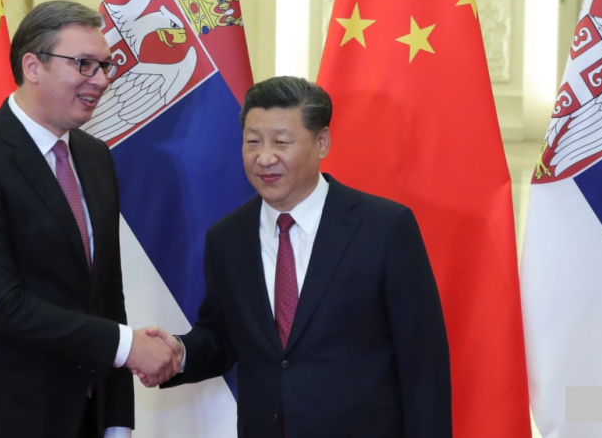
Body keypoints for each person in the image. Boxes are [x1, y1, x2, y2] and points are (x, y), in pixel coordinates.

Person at [0, 0, 178, 438]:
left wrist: (116, 420)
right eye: (84, 64)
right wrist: (127, 346)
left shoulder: (94, 158)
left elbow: (106, 297)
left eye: (105, 65)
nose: (101, 80)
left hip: (82, 416)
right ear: (33, 66)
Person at [145, 76, 452, 438]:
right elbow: (223, 336)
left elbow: (423, 361)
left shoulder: (383, 227)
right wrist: (181, 353)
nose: (264, 157)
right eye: (253, 141)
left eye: (281, 142)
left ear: (321, 142)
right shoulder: (227, 238)